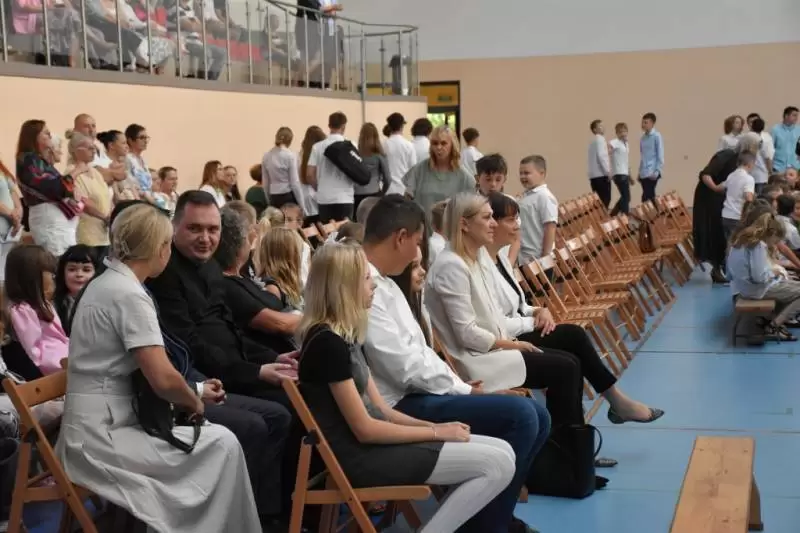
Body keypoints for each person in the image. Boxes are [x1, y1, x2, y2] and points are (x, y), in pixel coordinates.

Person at [55, 203, 263, 533]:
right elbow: (163, 379)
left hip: (100, 427)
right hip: (101, 439)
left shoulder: (108, 283)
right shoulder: (127, 293)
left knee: (219, 441)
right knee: (221, 443)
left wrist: (193, 392)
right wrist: (194, 402)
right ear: (160, 247)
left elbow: (140, 373)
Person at [298, 241, 516, 533]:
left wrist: (435, 427)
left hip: (376, 447)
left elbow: (383, 410)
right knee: (498, 464)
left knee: (504, 452)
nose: (374, 284)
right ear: (344, 286)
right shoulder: (328, 344)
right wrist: (435, 433)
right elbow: (365, 429)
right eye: (366, 278)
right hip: (364, 458)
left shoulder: (343, 337)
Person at [361, 195, 549, 533]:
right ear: (401, 238)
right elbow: (404, 367)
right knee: (521, 416)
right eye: (417, 242)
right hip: (399, 404)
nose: (418, 254)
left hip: (420, 391)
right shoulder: (367, 287)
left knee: (538, 416)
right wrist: (464, 390)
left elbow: (420, 353)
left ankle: (496, 519)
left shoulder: (384, 282)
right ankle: (487, 526)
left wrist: (459, 386)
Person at [427, 193, 664, 428]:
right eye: (489, 218)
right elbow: (468, 334)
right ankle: (570, 445)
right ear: (464, 224)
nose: (495, 224)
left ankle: (574, 443)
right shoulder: (453, 265)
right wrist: (514, 343)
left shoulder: (475, 259)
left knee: (571, 358)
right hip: (480, 359)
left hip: (496, 345)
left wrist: (537, 312)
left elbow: (498, 314)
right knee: (566, 367)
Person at [146, 191, 298, 400]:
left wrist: (274, 358)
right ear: (174, 226)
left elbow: (231, 332)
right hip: (209, 383)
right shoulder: (164, 274)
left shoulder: (211, 266)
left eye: (213, 229)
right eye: (194, 228)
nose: (205, 238)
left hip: (239, 370)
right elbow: (190, 346)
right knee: (284, 408)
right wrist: (257, 372)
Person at [693, 133, 762, 283]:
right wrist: (716, 189)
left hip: (724, 203)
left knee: (725, 237)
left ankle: (723, 268)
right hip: (710, 198)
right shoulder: (726, 155)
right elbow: (706, 175)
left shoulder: (739, 165)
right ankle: (719, 268)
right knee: (717, 234)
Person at [728, 200, 800, 341]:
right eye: (775, 240)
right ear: (770, 234)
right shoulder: (758, 245)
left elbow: (730, 274)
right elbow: (759, 278)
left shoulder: (739, 240)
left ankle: (773, 320)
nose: (774, 244)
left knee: (794, 285)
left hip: (745, 288)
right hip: (757, 290)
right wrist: (774, 273)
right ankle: (774, 326)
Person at [16, 119, 85, 257]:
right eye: (46, 133)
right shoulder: (28, 159)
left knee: (65, 260)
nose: (50, 136)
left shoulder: (38, 160)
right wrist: (76, 171)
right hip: (49, 220)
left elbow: (61, 187)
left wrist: (73, 190)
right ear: (34, 136)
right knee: (55, 260)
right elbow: (53, 188)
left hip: (56, 220)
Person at [6, 245, 68, 376]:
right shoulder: (23, 311)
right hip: (52, 365)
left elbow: (59, 337)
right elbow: (34, 351)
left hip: (64, 354)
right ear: (32, 277)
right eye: (50, 273)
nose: (53, 277)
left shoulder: (44, 303)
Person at [403, 125, 476, 217]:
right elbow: (407, 201)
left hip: (450, 224)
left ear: (452, 145)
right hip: (422, 224)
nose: (439, 147)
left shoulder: (464, 176)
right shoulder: (419, 170)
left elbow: (470, 209)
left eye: (443, 143)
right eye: (435, 143)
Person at [308, 112, 354, 222]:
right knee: (345, 231)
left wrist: (318, 187)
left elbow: (309, 174)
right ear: (344, 126)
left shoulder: (317, 147)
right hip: (345, 197)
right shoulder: (351, 145)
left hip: (325, 198)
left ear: (329, 125)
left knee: (326, 231)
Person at [517, 155, 558, 266]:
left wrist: (545, 257)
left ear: (542, 173)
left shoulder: (544, 197)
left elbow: (550, 227)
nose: (523, 177)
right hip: (524, 258)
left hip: (538, 259)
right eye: (521, 173)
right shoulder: (527, 195)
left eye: (527, 173)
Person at [53, 245, 99, 329]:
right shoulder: (53, 305)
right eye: (72, 269)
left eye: (86, 270)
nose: (79, 274)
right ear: (62, 273)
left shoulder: (104, 304)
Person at [716, 152, 757, 240]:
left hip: (726, 215)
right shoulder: (749, 179)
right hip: (738, 216)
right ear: (750, 164)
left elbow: (719, 188)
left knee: (728, 242)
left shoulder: (731, 175)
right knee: (737, 242)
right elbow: (748, 198)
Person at [262, 127, 304, 209]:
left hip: (274, 195)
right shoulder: (290, 155)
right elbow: (294, 183)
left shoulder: (266, 156)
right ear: (290, 140)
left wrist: (268, 199)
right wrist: (302, 205)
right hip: (287, 194)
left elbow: (265, 182)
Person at [354, 123, 390, 215]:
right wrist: (383, 193)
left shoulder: (355, 155)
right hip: (374, 193)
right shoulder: (379, 156)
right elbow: (387, 179)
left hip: (356, 194)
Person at [382, 113, 417, 195]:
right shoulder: (409, 145)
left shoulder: (383, 145)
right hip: (403, 189)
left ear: (389, 127)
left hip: (387, 189)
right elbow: (413, 169)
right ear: (402, 126)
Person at [638, 112, 664, 202]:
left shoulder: (657, 136)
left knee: (647, 196)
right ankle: (654, 210)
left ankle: (653, 210)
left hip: (652, 171)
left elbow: (660, 154)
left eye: (646, 122)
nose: (643, 125)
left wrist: (657, 170)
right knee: (649, 196)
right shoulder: (642, 138)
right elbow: (643, 156)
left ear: (652, 123)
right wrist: (640, 171)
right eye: (642, 122)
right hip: (644, 172)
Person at [609, 122, 633, 215]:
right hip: (618, 173)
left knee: (626, 197)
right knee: (626, 197)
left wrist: (630, 176)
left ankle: (613, 214)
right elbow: (607, 152)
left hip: (625, 173)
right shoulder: (614, 142)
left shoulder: (626, 144)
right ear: (617, 133)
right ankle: (625, 217)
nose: (623, 133)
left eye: (624, 131)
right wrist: (609, 170)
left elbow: (626, 161)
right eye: (620, 132)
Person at [587, 119, 611, 208]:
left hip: (593, 176)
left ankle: (598, 216)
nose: (603, 128)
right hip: (601, 175)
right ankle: (603, 217)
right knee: (605, 199)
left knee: (597, 202)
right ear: (594, 130)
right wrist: (608, 172)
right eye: (600, 126)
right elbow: (602, 156)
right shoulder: (600, 139)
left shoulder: (592, 141)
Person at [770, 106, 799, 174]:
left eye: (797, 116)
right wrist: (771, 167)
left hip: (795, 167)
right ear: (786, 116)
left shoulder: (799, 130)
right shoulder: (775, 130)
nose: (796, 118)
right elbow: (770, 149)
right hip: (778, 167)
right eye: (794, 115)